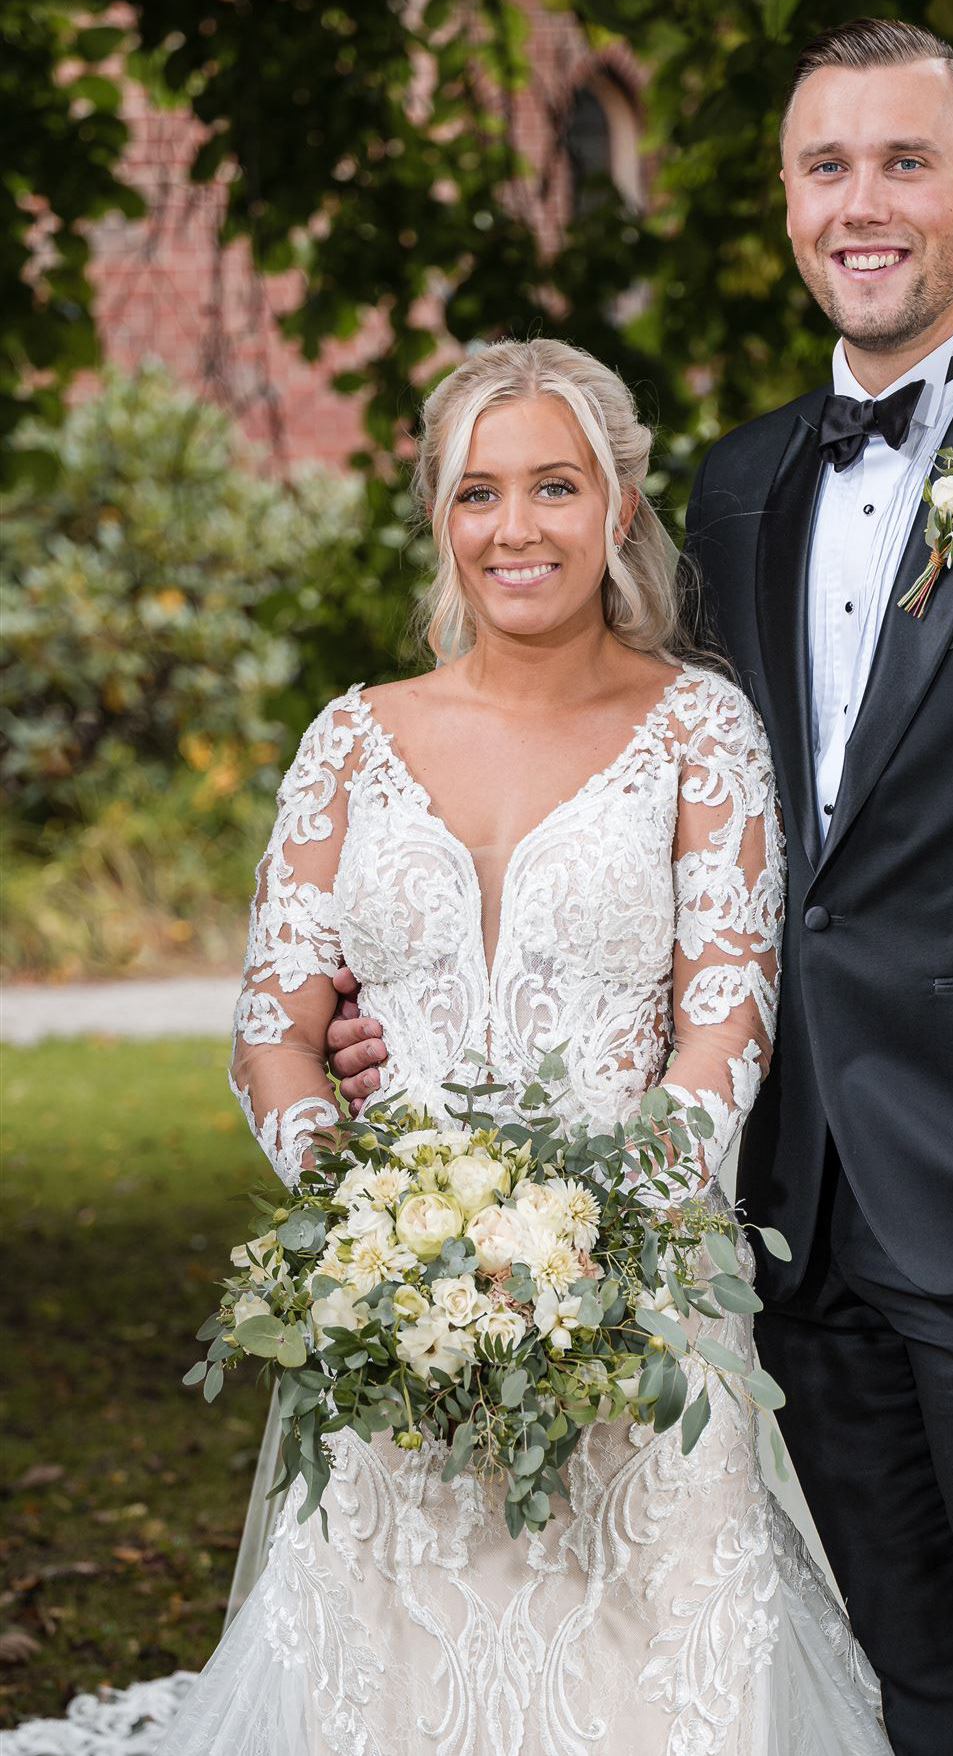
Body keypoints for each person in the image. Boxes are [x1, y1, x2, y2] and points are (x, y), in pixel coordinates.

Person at [325, 20, 953, 1756]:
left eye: (905, 161)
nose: (863, 203)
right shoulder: (744, 484)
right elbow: (678, 819)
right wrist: (427, 1016)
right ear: (785, 200)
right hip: (799, 1209)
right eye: (825, 166)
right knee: (919, 1688)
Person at [159, 339, 894, 1755]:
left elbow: (725, 1022)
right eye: (478, 492)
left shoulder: (700, 730)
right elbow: (275, 1030)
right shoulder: (350, 742)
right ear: (440, 516)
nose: (516, 529)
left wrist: (593, 1247)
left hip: (641, 1299)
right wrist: (364, 1225)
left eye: (554, 486)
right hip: (393, 1309)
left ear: (619, 505)